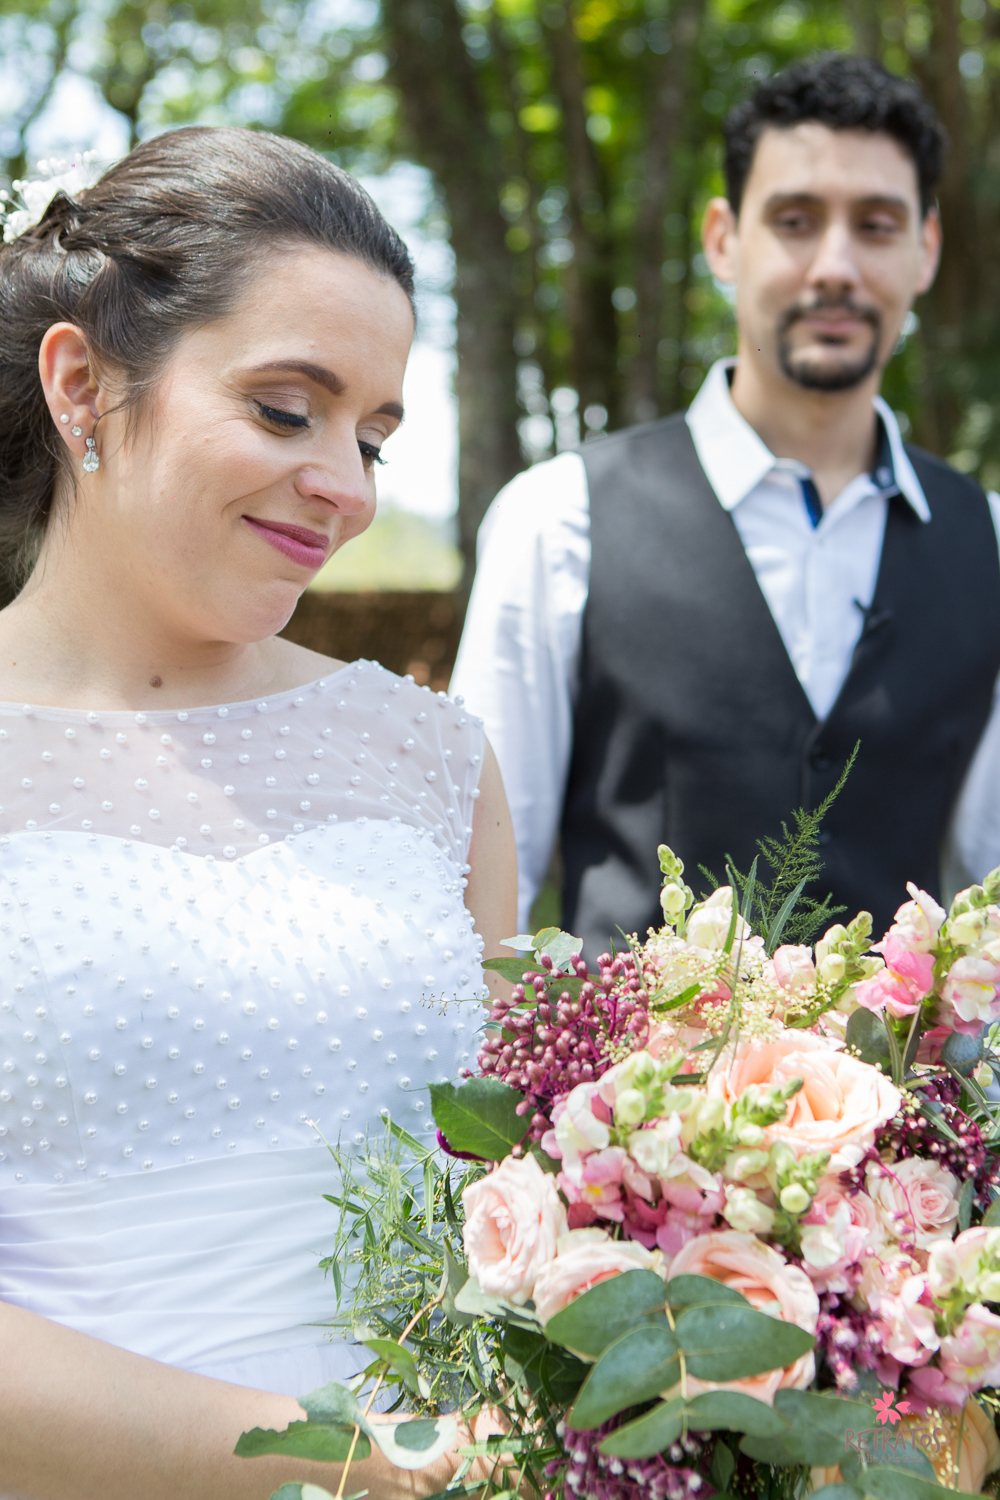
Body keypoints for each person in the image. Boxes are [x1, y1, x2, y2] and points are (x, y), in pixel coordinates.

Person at [0, 127, 516, 1500]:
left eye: (373, 437)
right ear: (83, 385)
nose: (346, 487)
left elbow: (523, 1191)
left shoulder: (434, 760)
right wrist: (366, 1468)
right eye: (289, 410)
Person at [452, 52, 1000, 960]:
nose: (836, 266)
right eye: (794, 221)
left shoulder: (985, 539)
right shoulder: (559, 518)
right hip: (622, 1098)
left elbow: (989, 888)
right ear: (722, 240)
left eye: (876, 225)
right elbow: (477, 901)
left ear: (926, 249)